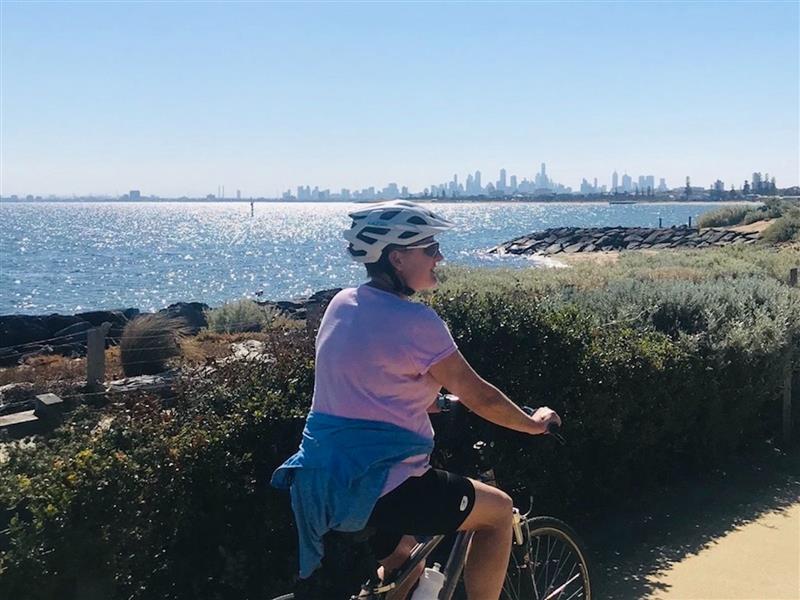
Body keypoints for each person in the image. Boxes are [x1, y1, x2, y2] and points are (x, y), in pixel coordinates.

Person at [272, 200, 561, 600]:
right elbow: (480, 396)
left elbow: (373, 389)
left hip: (323, 480)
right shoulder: (417, 322)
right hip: (383, 483)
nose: (439, 256)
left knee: (406, 558)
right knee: (497, 513)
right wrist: (533, 424)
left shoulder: (341, 304)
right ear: (397, 258)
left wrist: (437, 403)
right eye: (430, 248)